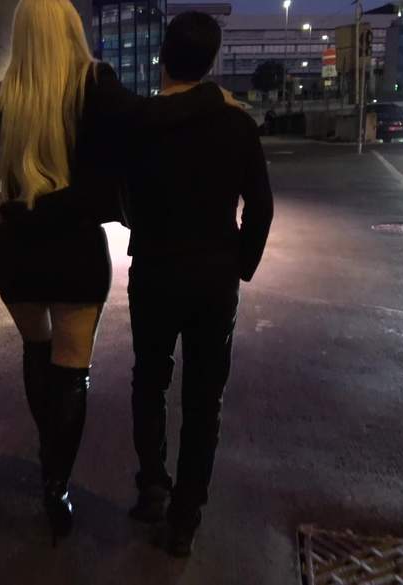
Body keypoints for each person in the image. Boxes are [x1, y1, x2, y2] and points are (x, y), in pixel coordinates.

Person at [0, 0, 227, 545]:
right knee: (71, 370)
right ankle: (56, 482)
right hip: (75, 254)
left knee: (36, 351)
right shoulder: (94, 86)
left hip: (16, 256)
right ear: (70, 30)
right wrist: (208, 97)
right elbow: (142, 130)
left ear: (22, 36)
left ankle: (50, 456)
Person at [124, 12, 274, 557]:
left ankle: (153, 487)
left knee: (150, 382)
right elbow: (261, 207)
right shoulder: (236, 123)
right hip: (214, 276)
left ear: (164, 56)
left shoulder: (141, 122)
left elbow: (124, 199)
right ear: (211, 62)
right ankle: (185, 517)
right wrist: (240, 263)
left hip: (155, 271)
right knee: (204, 399)